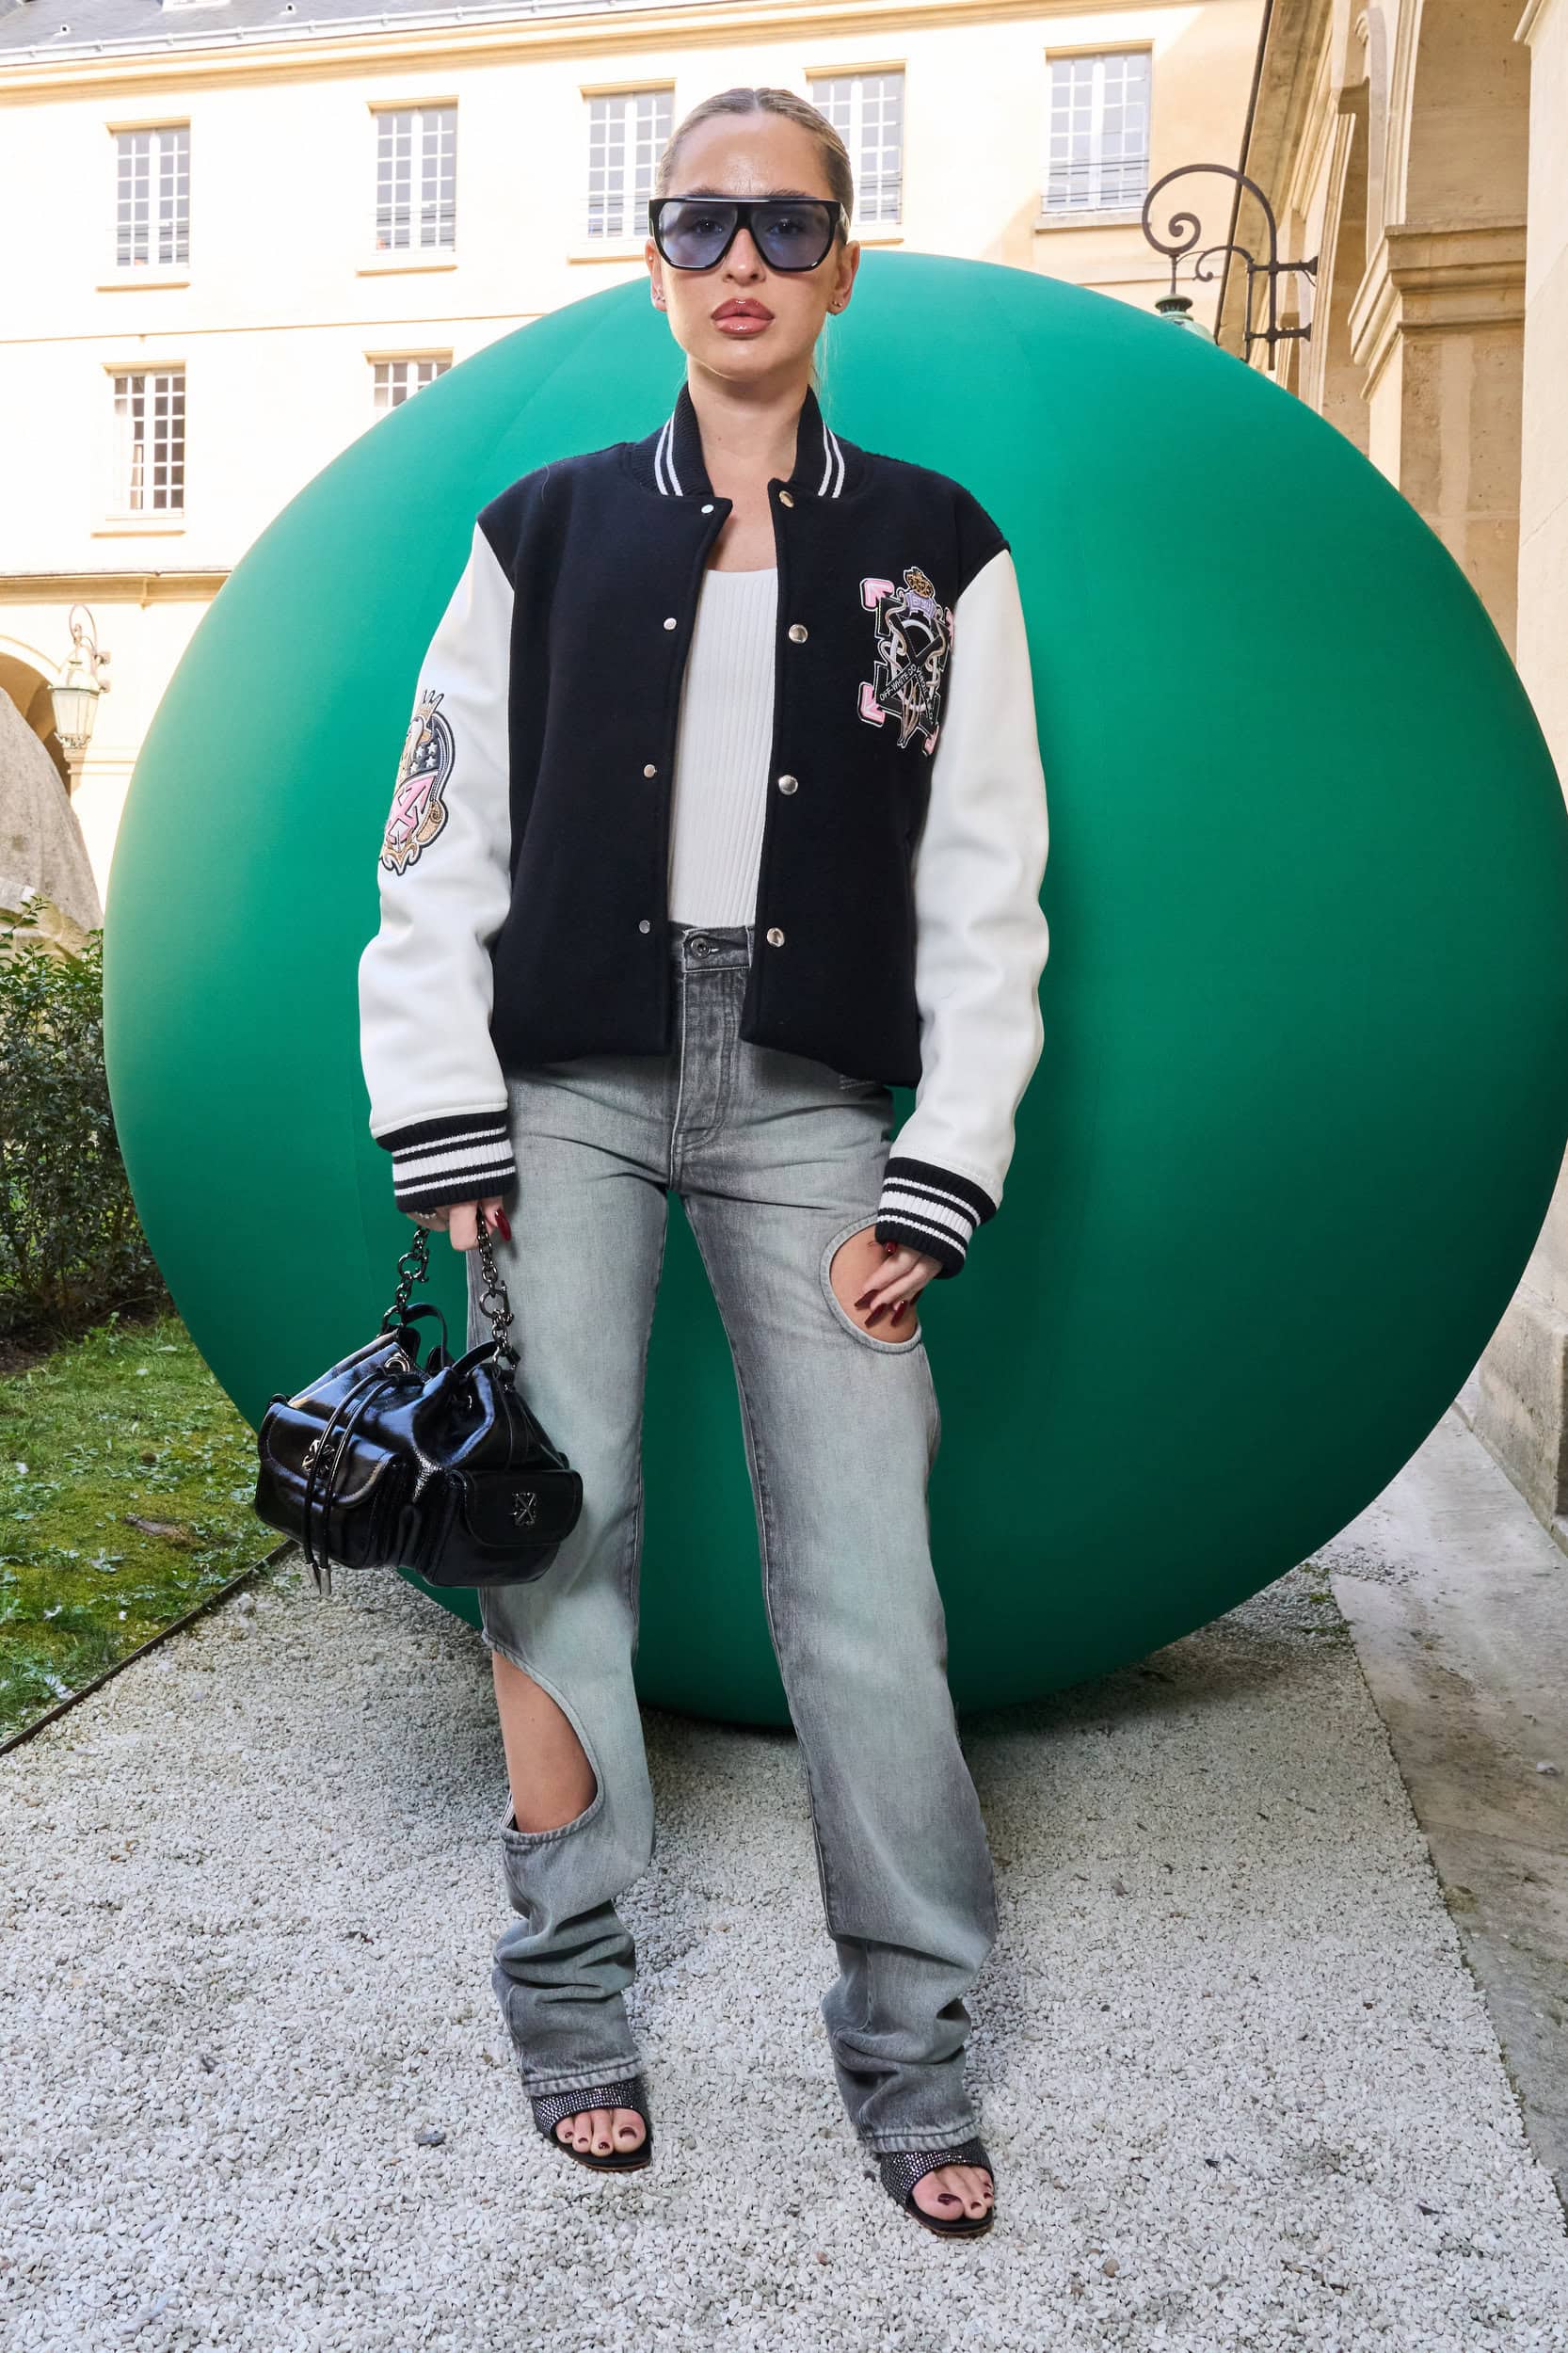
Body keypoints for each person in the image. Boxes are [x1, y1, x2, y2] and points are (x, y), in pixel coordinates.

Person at [357, 84, 1050, 2240]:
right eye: (693, 225)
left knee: (866, 1580)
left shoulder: (939, 542)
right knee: (549, 1532)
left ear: (840, 261)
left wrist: (940, 1163)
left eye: (779, 224)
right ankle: (570, 1999)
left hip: (813, 1097)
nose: (736, 260)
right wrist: (440, 1101)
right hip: (557, 1076)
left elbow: (989, 888)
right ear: (652, 260)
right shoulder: (540, 527)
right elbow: (435, 840)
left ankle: (912, 2034)